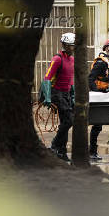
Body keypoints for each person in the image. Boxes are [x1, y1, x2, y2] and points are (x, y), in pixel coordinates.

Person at [40, 32, 75, 162]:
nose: (73, 48)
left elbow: (70, 80)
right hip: (56, 93)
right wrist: (48, 97)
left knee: (65, 122)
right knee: (69, 120)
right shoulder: (57, 59)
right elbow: (47, 77)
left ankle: (62, 151)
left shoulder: (72, 60)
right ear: (65, 45)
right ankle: (55, 145)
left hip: (65, 94)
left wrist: (72, 94)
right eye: (71, 46)